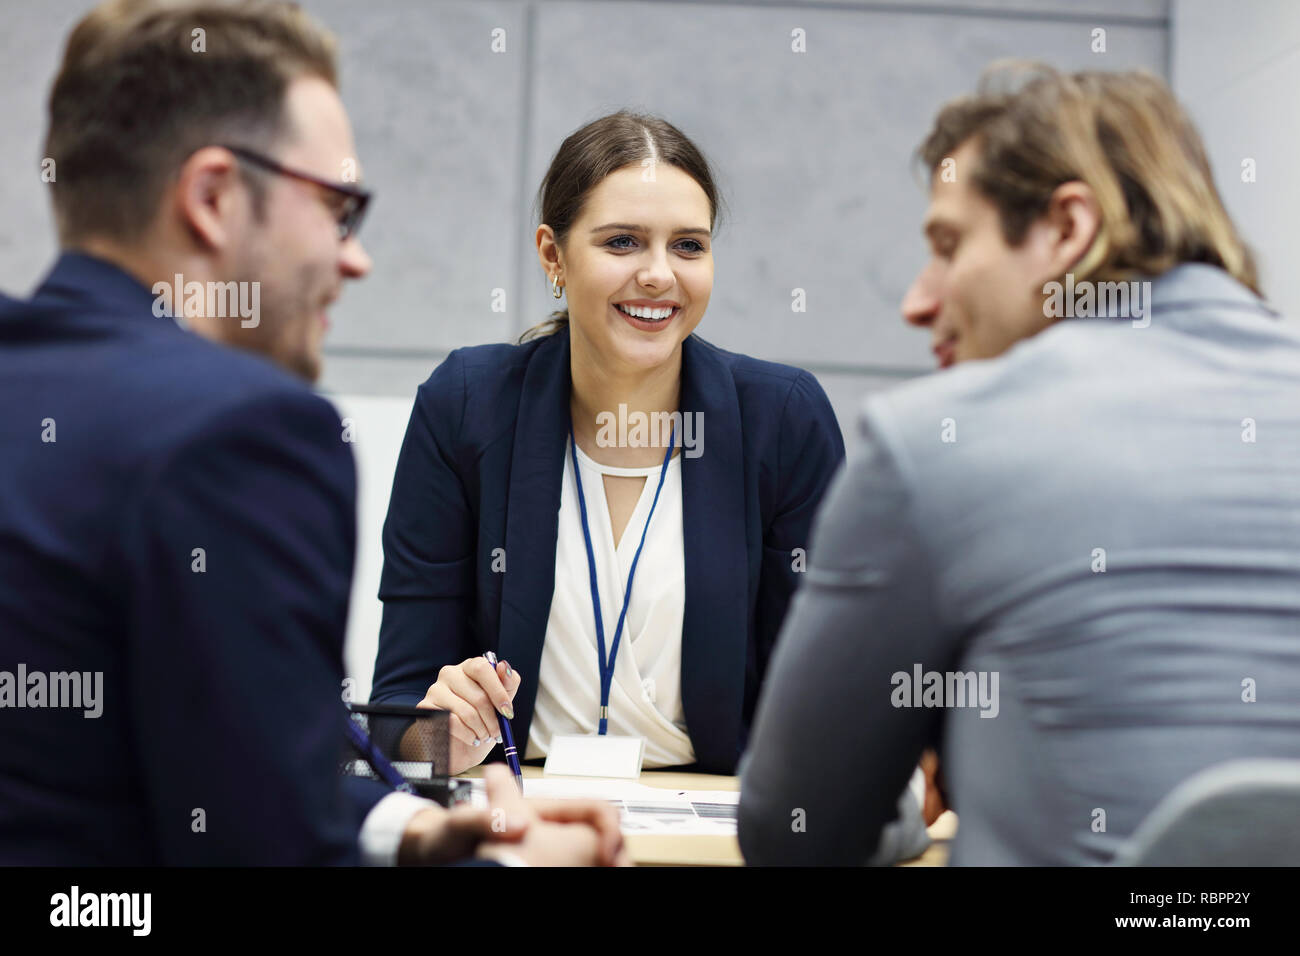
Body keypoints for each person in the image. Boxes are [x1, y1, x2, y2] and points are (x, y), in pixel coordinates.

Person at [0, 0, 623, 867]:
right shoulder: (244, 431)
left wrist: (412, 827)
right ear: (214, 197)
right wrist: (508, 865)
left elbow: (224, 762)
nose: (354, 256)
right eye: (338, 207)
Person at [737, 64, 1300, 865]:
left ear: (1067, 230)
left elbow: (793, 832)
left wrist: (902, 789)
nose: (918, 301)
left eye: (949, 245)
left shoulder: (937, 443)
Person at [371, 111, 845, 777]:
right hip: (520, 819)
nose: (659, 275)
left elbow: (820, 710)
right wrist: (441, 732)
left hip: (711, 826)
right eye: (623, 242)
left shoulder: (783, 420)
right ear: (552, 255)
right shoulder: (465, 407)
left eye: (688, 246)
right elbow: (398, 715)